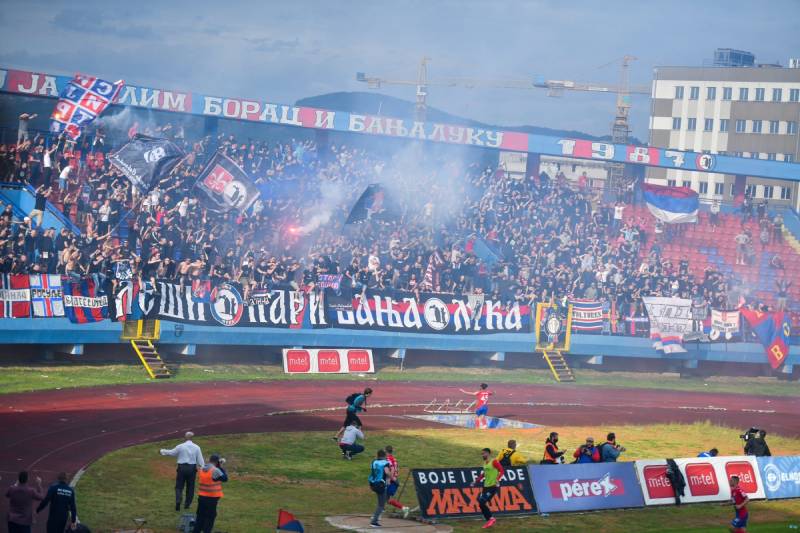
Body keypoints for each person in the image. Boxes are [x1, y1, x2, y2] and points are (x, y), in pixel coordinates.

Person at [160, 431, 205, 511]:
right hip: (192, 468)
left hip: (182, 468)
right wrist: (203, 468)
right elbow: (200, 460)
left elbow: (172, 453)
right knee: (190, 487)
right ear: (192, 438)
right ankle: (187, 504)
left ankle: (178, 500)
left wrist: (162, 451)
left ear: (185, 437)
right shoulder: (197, 447)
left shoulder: (181, 446)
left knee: (179, 486)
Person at [470, 447, 505, 529]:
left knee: (482, 502)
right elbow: (484, 474)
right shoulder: (485, 463)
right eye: (482, 454)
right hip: (486, 486)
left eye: (484, 453)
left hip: (492, 486)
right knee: (480, 503)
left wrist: (497, 479)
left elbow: (502, 470)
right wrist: (476, 481)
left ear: (488, 453)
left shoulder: (494, 461)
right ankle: (490, 519)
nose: (482, 455)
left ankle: (491, 519)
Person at [193, 454, 228, 533]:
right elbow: (225, 478)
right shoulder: (215, 470)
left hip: (202, 496)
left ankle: (196, 531)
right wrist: (221, 467)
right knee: (210, 516)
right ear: (217, 462)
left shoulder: (202, 468)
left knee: (200, 516)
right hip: (212, 497)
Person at [368, 449, 392, 528]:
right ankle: (374, 521)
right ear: (384, 456)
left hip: (372, 484)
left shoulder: (374, 462)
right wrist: (390, 475)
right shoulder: (385, 463)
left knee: (380, 502)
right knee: (381, 505)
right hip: (381, 485)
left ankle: (375, 517)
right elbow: (387, 472)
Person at [384, 445, 410, 518]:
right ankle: (404, 508)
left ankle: (404, 508)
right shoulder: (394, 459)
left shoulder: (388, 459)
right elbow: (396, 469)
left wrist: (390, 479)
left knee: (386, 498)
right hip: (394, 480)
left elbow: (391, 469)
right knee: (385, 498)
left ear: (386, 451)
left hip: (392, 481)